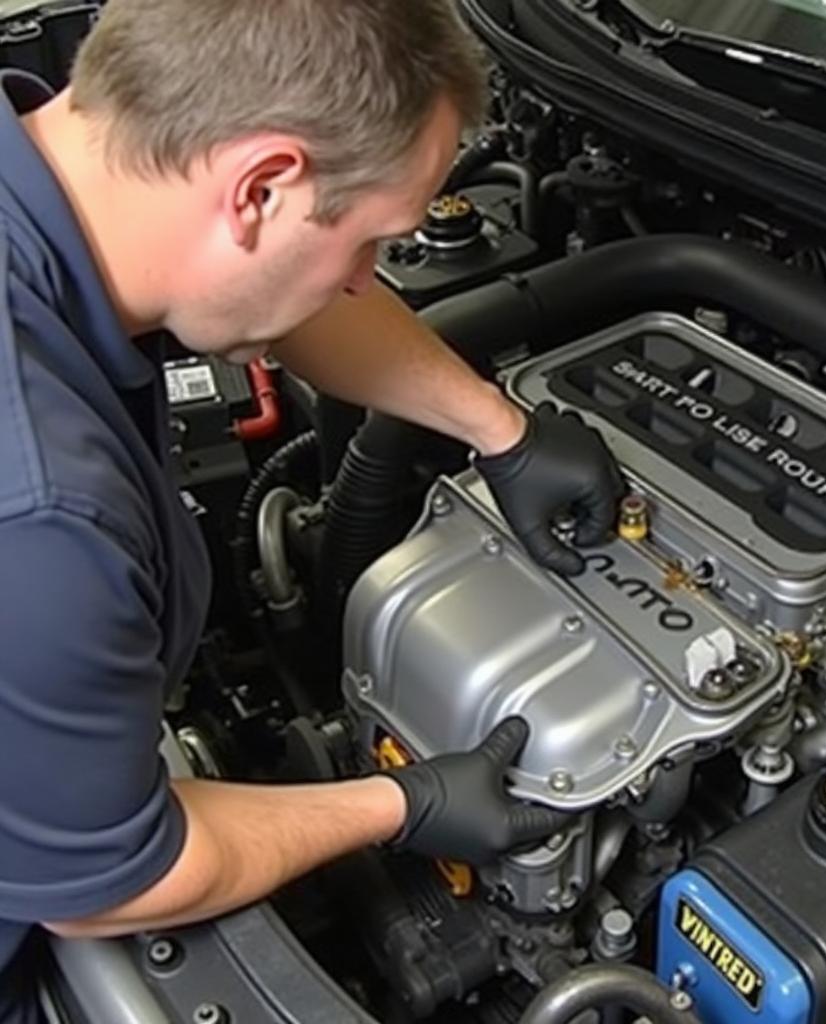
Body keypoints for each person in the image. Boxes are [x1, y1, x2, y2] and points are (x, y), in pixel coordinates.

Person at [0, 1, 624, 1020]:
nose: (364, 284)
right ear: (260, 187)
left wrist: (499, 429)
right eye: (372, 244)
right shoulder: (41, 519)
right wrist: (404, 800)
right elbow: (112, 884)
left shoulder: (81, 169)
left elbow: (281, 289)